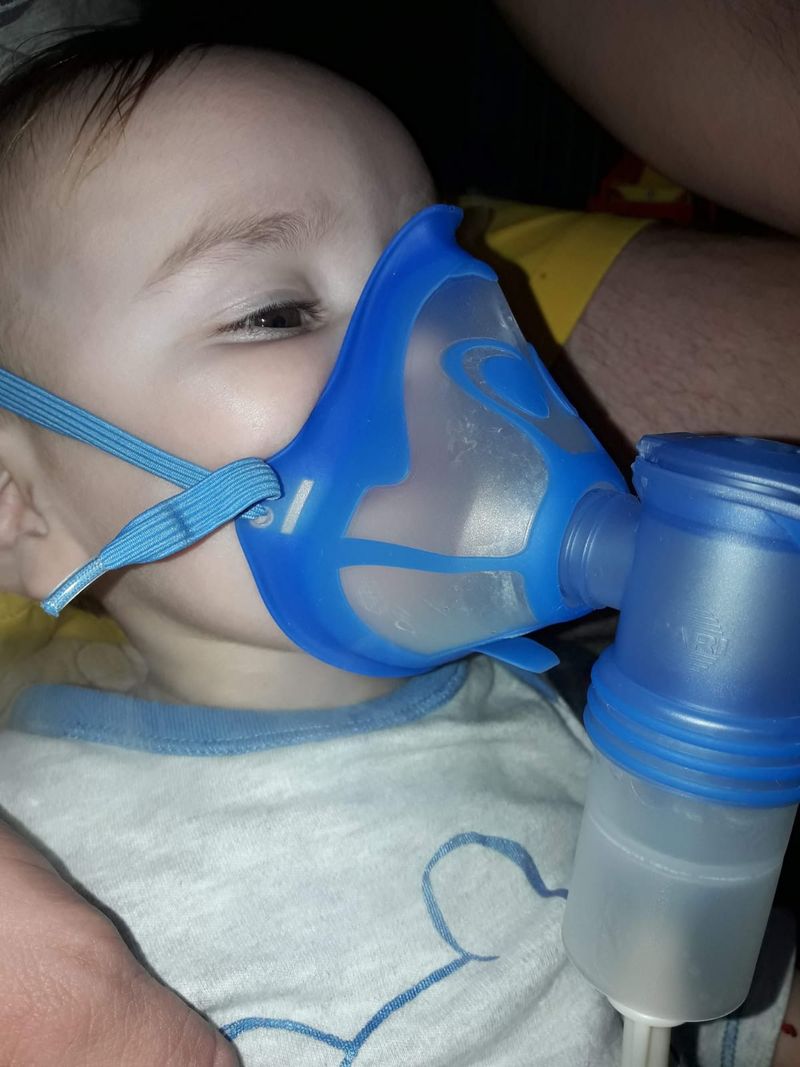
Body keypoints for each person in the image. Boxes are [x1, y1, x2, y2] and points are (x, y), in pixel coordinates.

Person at [0, 25, 796, 1067]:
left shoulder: (554, 700)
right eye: (275, 311)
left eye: (450, 285)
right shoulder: (41, 874)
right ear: (19, 504)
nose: (431, 347)